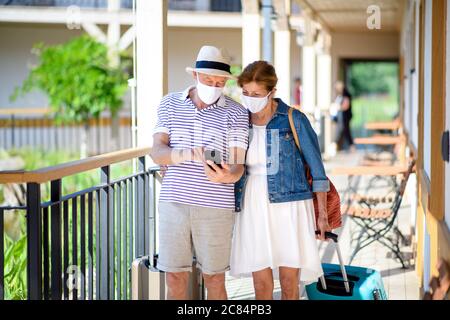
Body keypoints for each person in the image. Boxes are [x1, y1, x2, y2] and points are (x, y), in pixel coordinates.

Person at [150, 46, 249, 300]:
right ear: (195, 75)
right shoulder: (170, 103)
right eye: (208, 80)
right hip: (174, 204)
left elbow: (238, 166)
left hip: (216, 207)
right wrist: (189, 153)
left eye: (220, 82)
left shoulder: (237, 112)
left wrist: (226, 176)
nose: (214, 86)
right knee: (174, 276)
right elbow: (157, 152)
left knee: (214, 278)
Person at [230, 61, 330, 300]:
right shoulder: (239, 120)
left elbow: (318, 171)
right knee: (261, 284)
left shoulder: (294, 119)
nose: (249, 99)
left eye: (256, 94)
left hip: (290, 205)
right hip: (252, 203)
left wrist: (323, 214)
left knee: (288, 282)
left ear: (271, 92)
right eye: (245, 93)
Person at [334, 81, 355, 152]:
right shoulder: (340, 95)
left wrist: (337, 107)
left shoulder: (346, 95)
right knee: (342, 131)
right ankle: (339, 147)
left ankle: (351, 147)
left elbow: (346, 106)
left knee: (346, 131)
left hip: (345, 116)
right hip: (341, 116)